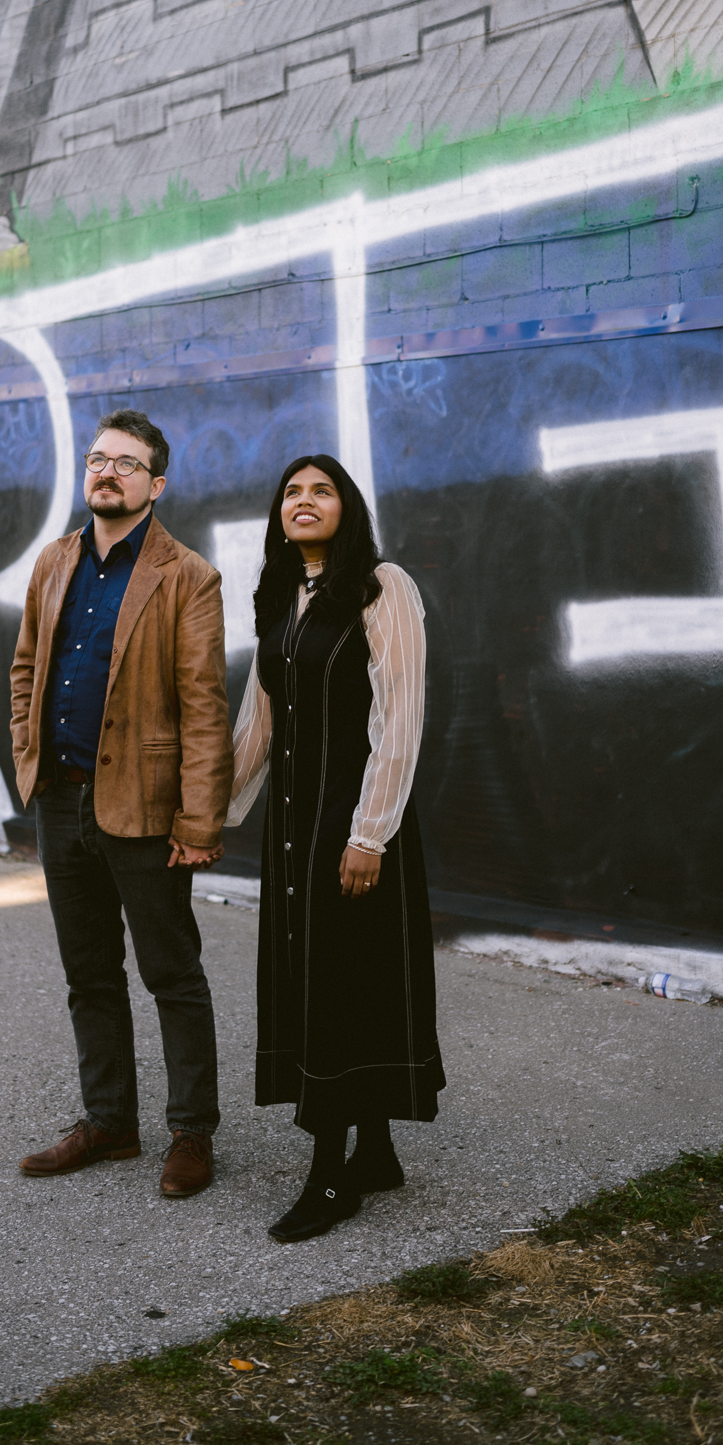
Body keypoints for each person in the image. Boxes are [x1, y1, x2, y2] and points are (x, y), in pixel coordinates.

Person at [10, 409, 233, 1198]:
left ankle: (191, 1134)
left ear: (156, 484)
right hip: (60, 802)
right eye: (98, 459)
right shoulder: (52, 562)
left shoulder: (188, 576)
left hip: (144, 808)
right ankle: (108, 1123)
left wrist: (200, 821)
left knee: (172, 972)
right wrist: (27, 758)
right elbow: (26, 669)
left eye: (126, 464)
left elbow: (206, 708)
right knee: (89, 975)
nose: (106, 472)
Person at [226, 453, 444, 1241]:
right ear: (279, 515)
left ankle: (328, 1179)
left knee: (341, 990)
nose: (304, 501)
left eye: (321, 490)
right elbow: (259, 723)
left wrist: (369, 833)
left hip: (353, 830)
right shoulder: (285, 598)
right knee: (325, 984)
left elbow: (400, 721)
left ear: (346, 508)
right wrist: (207, 816)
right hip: (294, 829)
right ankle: (375, 1153)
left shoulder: (384, 588)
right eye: (292, 492)